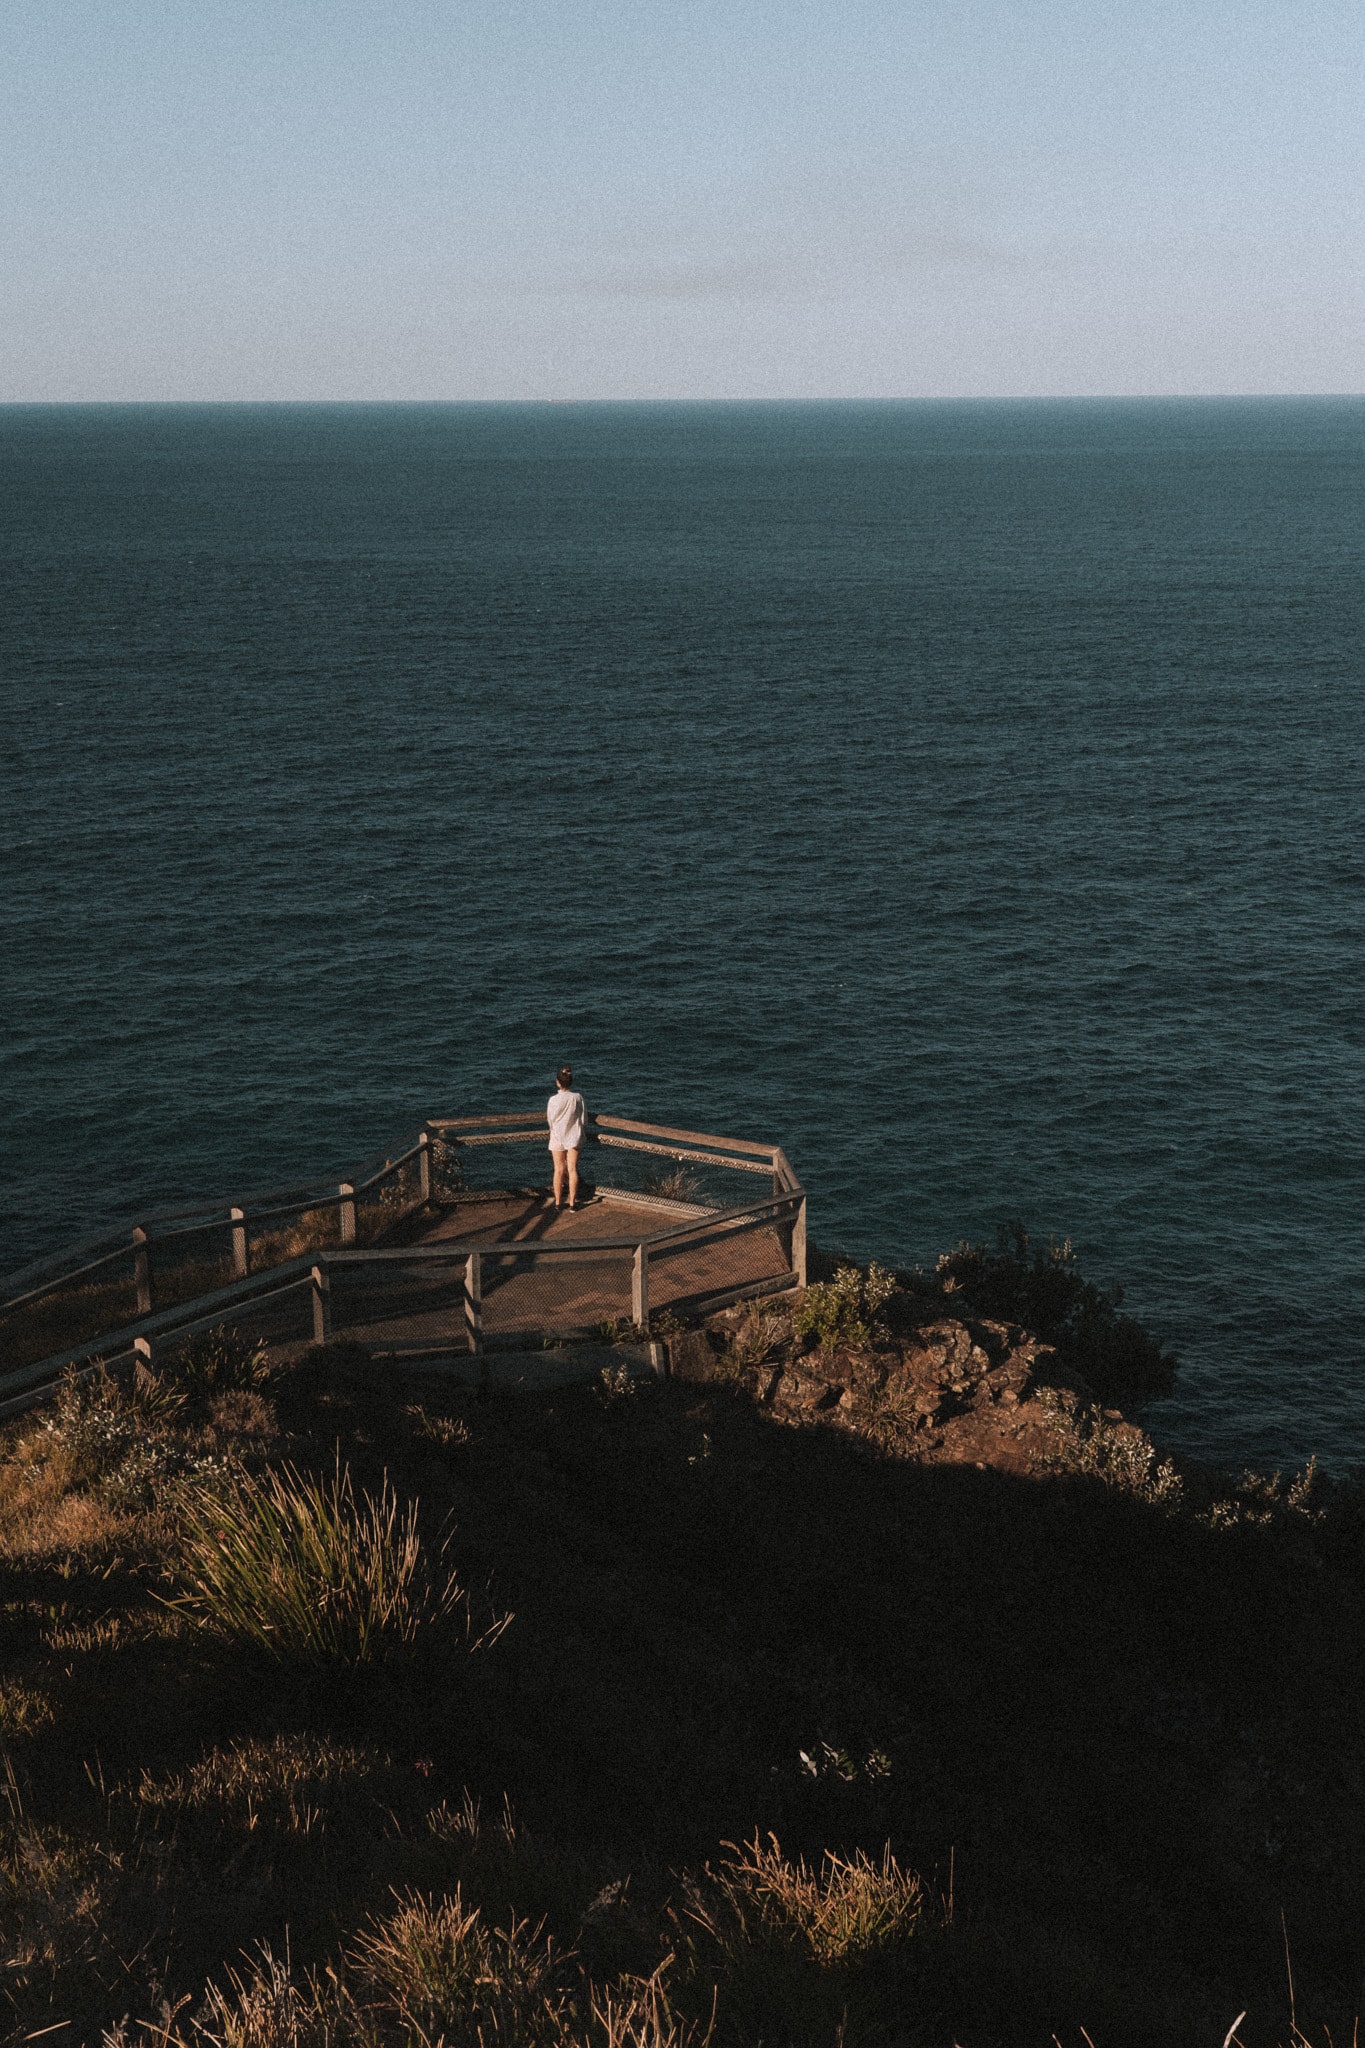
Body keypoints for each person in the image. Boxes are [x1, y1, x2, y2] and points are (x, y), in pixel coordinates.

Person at [547, 1064, 586, 1211]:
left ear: (558, 1082)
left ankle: (557, 1203)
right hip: (574, 1136)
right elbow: (583, 1119)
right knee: (572, 1169)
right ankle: (572, 1204)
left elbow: (550, 1120)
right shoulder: (577, 1097)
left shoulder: (553, 1100)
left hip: (557, 1135)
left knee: (558, 1169)